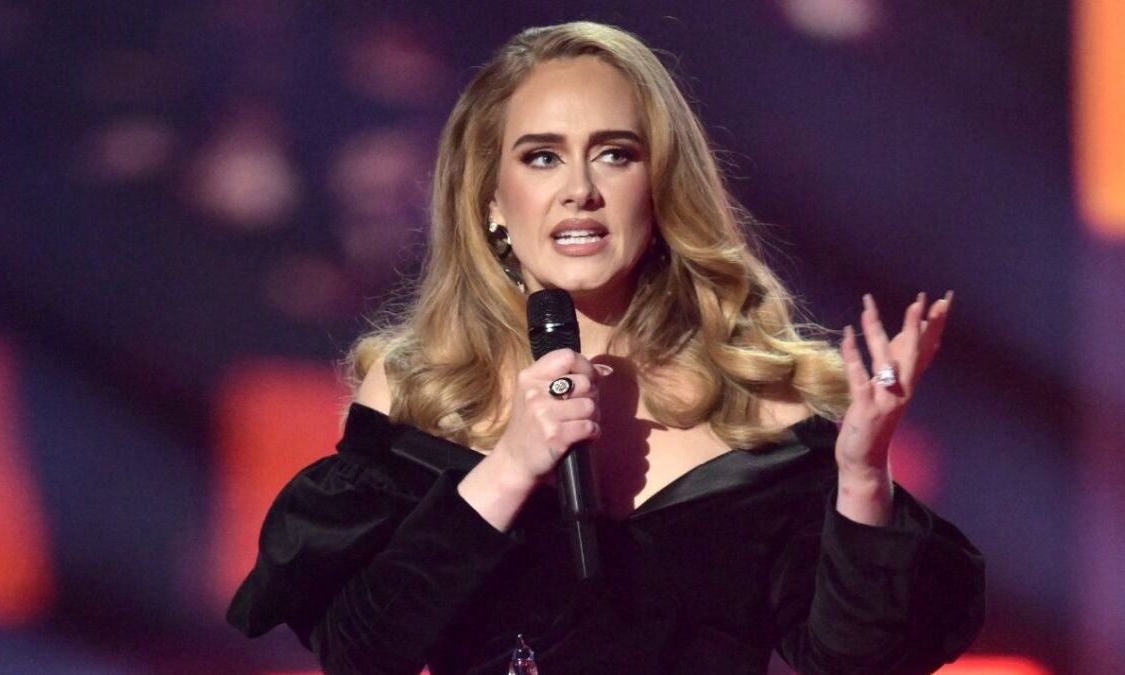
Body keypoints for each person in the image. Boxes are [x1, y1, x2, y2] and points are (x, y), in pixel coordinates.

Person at [227, 21, 985, 674]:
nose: (580, 189)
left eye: (615, 154)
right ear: (491, 198)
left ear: (659, 187)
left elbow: (854, 661)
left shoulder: (759, 403)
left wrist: (862, 476)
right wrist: (510, 465)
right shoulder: (420, 391)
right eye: (542, 156)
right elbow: (360, 652)